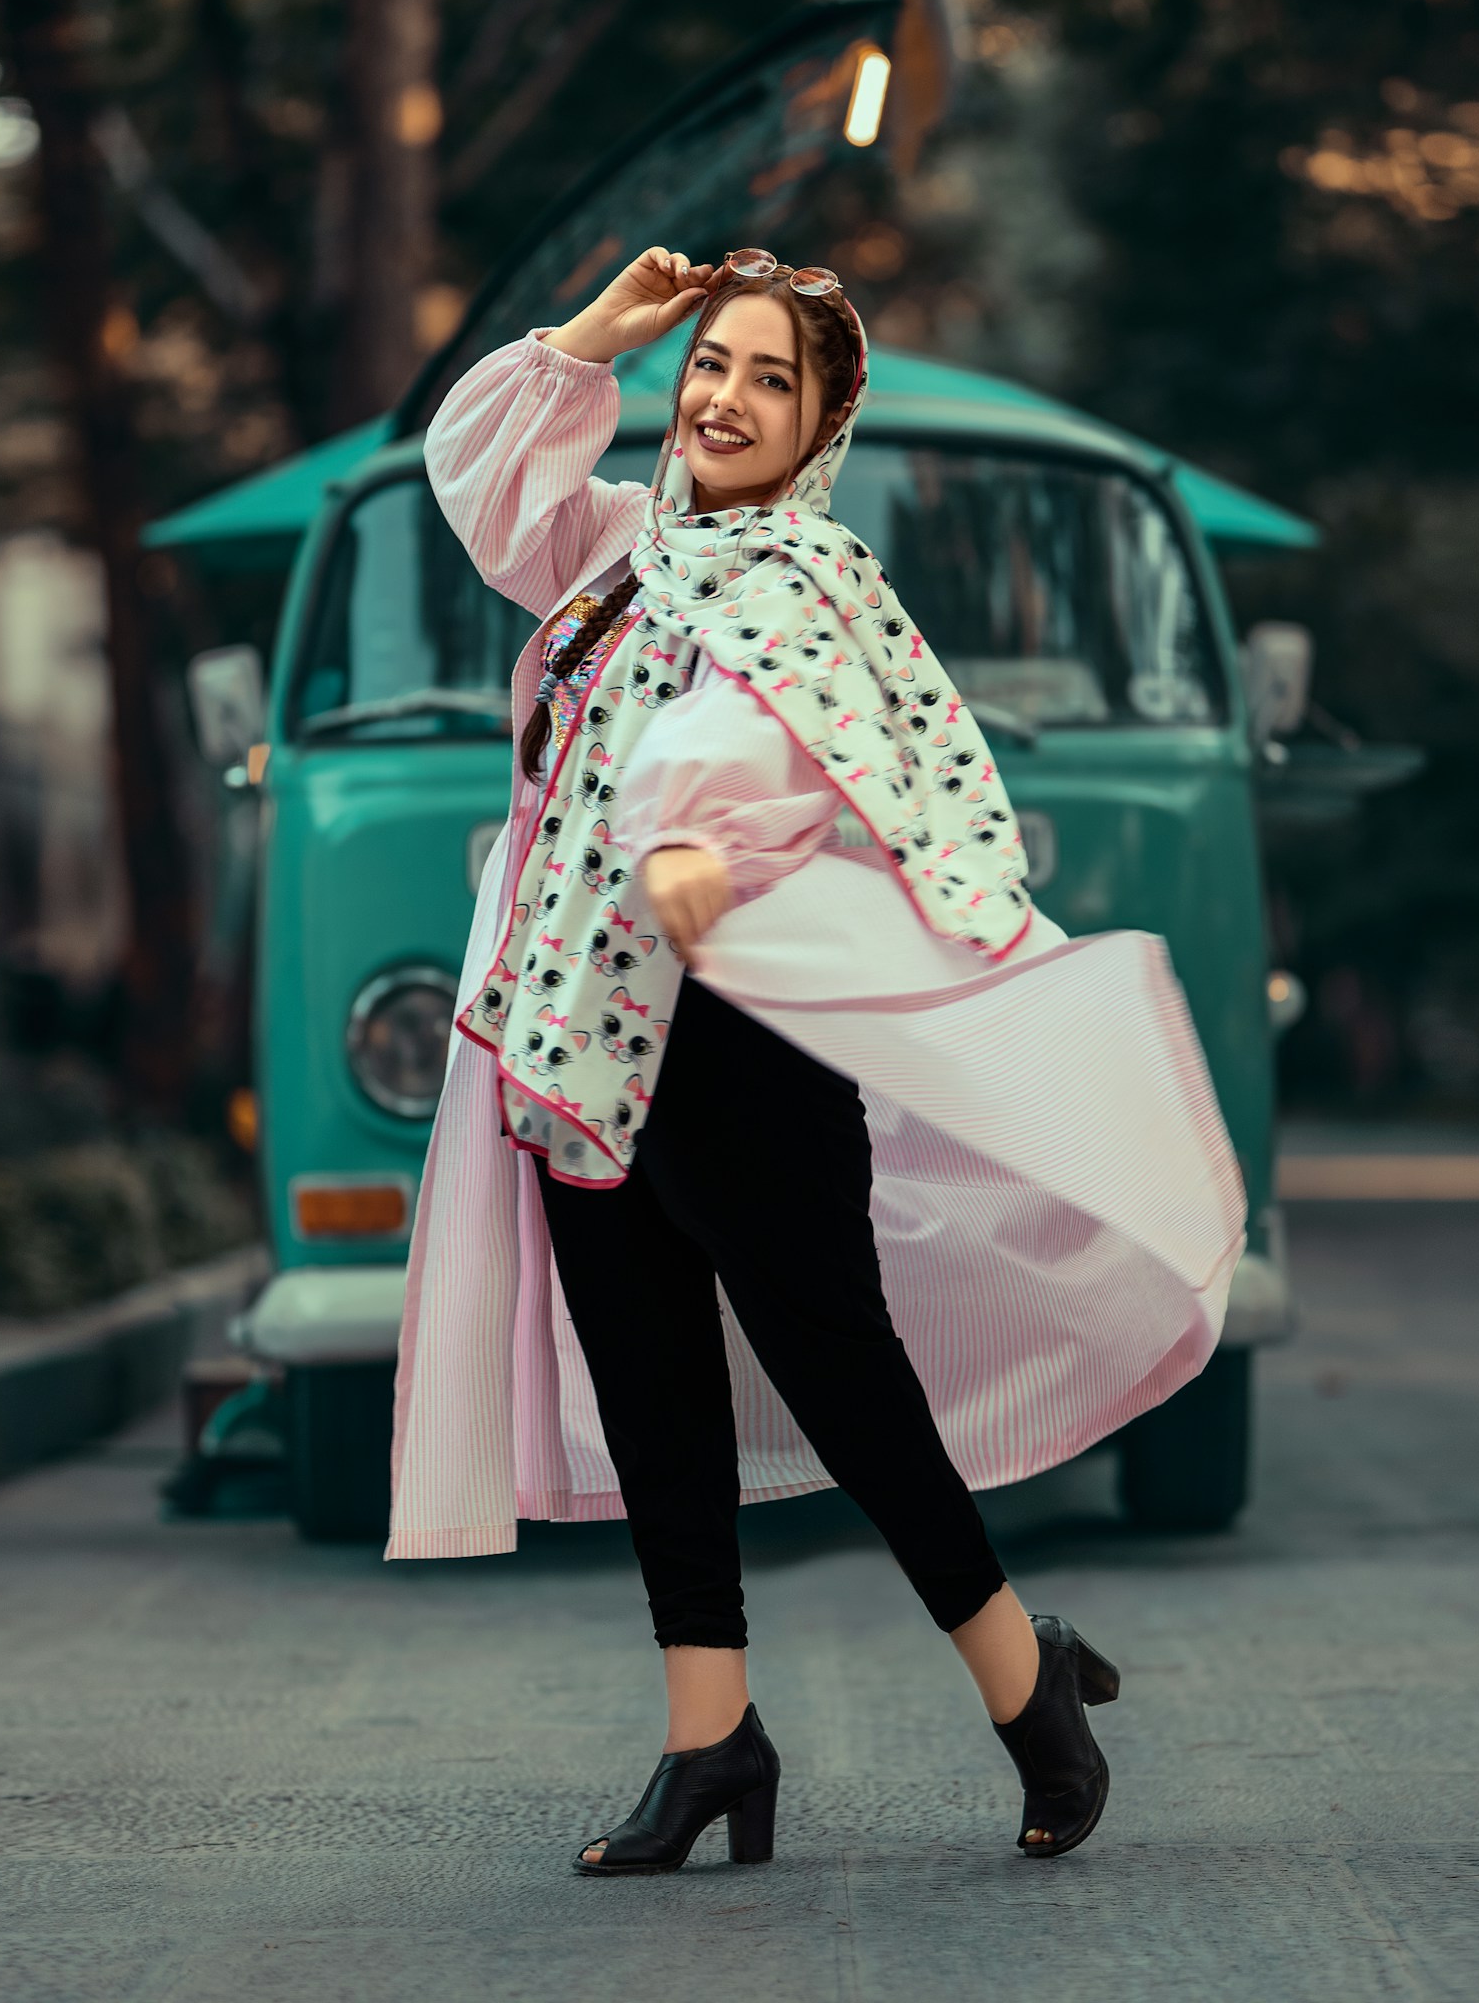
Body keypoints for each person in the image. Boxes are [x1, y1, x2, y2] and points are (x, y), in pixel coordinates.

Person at [387, 245, 1247, 1874]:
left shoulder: (805, 578)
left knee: (848, 1382)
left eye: (768, 380)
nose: (720, 398)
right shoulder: (623, 550)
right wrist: (593, 338)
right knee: (650, 1387)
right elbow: (485, 485)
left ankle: (1022, 1681)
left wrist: (692, 833)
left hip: (731, 1036)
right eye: (711, 363)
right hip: (576, 1027)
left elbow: (752, 730)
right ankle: (711, 1743)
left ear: (820, 425)